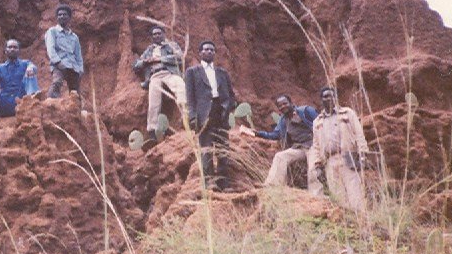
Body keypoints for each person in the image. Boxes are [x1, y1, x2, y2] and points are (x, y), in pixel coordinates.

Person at [184, 41, 237, 191]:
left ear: (214, 53)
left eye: (212, 50)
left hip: (220, 111)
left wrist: (228, 107)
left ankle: (223, 183)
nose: (209, 52)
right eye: (206, 49)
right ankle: (208, 183)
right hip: (203, 114)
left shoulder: (222, 72)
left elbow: (231, 93)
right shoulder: (192, 72)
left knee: (223, 149)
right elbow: (190, 97)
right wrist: (193, 117)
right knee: (206, 149)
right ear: (200, 53)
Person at [310, 86, 370, 214]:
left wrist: (363, 156)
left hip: (348, 157)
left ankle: (362, 220)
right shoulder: (317, 122)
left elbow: (359, 134)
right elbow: (316, 145)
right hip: (329, 161)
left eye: (332, 96)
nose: (329, 98)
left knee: (355, 193)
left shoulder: (347, 113)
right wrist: (317, 164)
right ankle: (349, 226)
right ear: (321, 100)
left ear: (335, 98)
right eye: (325, 96)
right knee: (339, 196)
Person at [242, 94, 320, 192]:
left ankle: (316, 195)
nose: (283, 107)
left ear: (291, 103)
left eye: (285, 103)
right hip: (299, 148)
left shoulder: (305, 111)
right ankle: (272, 186)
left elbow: (321, 123)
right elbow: (275, 135)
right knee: (280, 156)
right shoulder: (283, 120)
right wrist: (258, 133)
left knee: (313, 168)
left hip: (314, 145)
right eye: (280, 105)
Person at [133, 24, 185, 142]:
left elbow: (180, 58)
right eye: (154, 34)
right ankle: (152, 132)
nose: (156, 36)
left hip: (170, 73)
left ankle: (186, 119)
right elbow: (136, 66)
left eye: (159, 33)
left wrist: (160, 59)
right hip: (155, 76)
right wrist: (145, 62)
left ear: (163, 34)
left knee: (181, 89)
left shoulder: (171, 45)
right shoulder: (149, 50)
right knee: (153, 103)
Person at [0, 39, 39, 130]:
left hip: (21, 102)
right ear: (5, 51)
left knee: (30, 74)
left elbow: (33, 67)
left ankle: (32, 103)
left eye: (15, 47)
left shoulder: (25, 64)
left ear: (19, 51)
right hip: (4, 104)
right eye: (10, 47)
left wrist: (30, 69)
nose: (12, 49)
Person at [45, 4, 83, 98]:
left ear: (69, 17)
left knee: (75, 91)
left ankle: (76, 110)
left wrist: (80, 69)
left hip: (73, 67)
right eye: (59, 15)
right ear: (57, 17)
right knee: (57, 82)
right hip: (59, 65)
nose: (62, 16)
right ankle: (50, 105)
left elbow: (78, 55)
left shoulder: (74, 37)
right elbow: (50, 48)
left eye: (64, 14)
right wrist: (58, 62)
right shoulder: (52, 31)